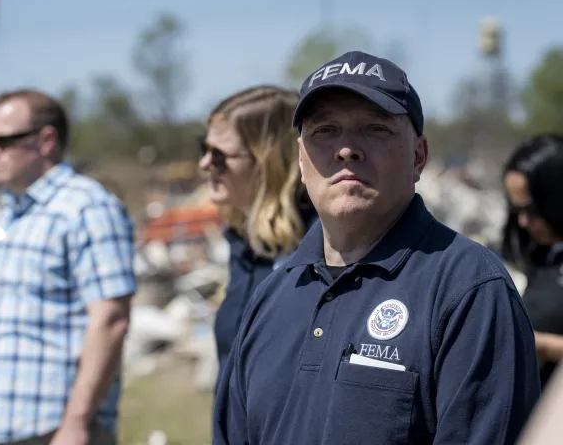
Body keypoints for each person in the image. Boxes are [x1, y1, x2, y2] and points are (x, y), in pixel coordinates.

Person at [212, 51, 541, 444]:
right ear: (301, 161)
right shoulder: (273, 295)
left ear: (419, 156)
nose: (347, 149)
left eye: (375, 129)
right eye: (325, 130)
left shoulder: (470, 290)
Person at [0, 89, 136, 445]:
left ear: (46, 141)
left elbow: (111, 320)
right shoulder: (8, 218)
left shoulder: (88, 207)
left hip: (58, 430)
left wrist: (77, 423)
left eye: (3, 141)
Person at [198, 85, 318, 388]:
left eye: (219, 156)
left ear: (267, 162)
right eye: (204, 148)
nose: (204, 164)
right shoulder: (245, 243)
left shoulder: (322, 246)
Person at [501, 134, 563, 390]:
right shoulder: (546, 255)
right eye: (518, 212)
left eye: (532, 211)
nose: (524, 222)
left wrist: (533, 343)